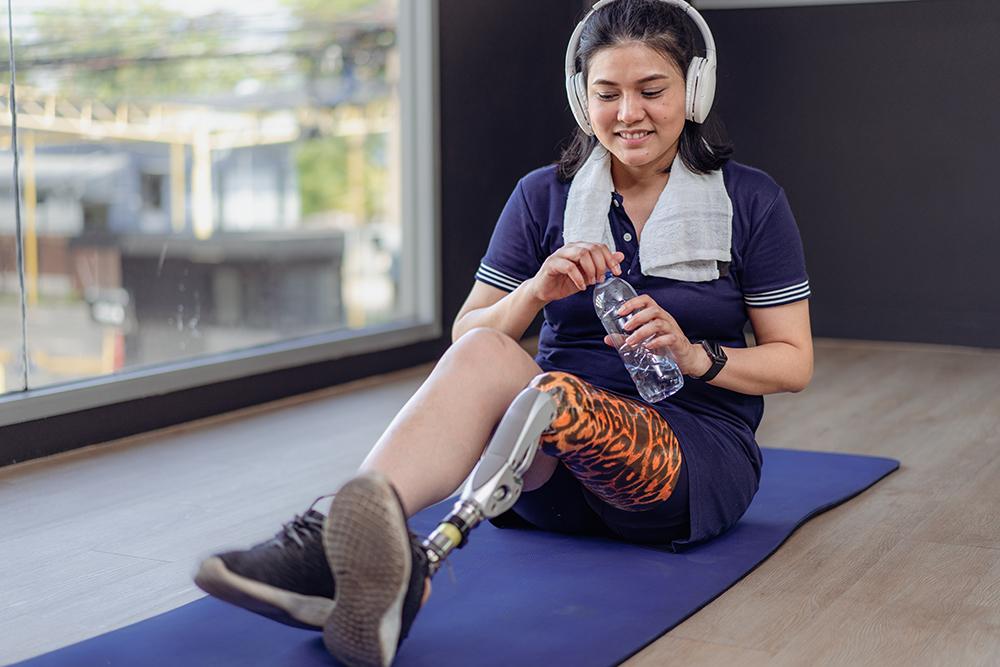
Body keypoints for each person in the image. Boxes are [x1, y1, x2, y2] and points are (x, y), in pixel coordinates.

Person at [194, 1, 813, 665]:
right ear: (582, 98)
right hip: (543, 476)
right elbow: (470, 337)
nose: (628, 113)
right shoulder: (542, 196)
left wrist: (694, 355)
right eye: (607, 93)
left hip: (679, 468)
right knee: (500, 355)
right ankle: (334, 544)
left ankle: (397, 573)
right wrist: (534, 292)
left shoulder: (749, 200)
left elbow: (793, 362)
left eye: (651, 91)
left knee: (556, 394)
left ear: (693, 89)